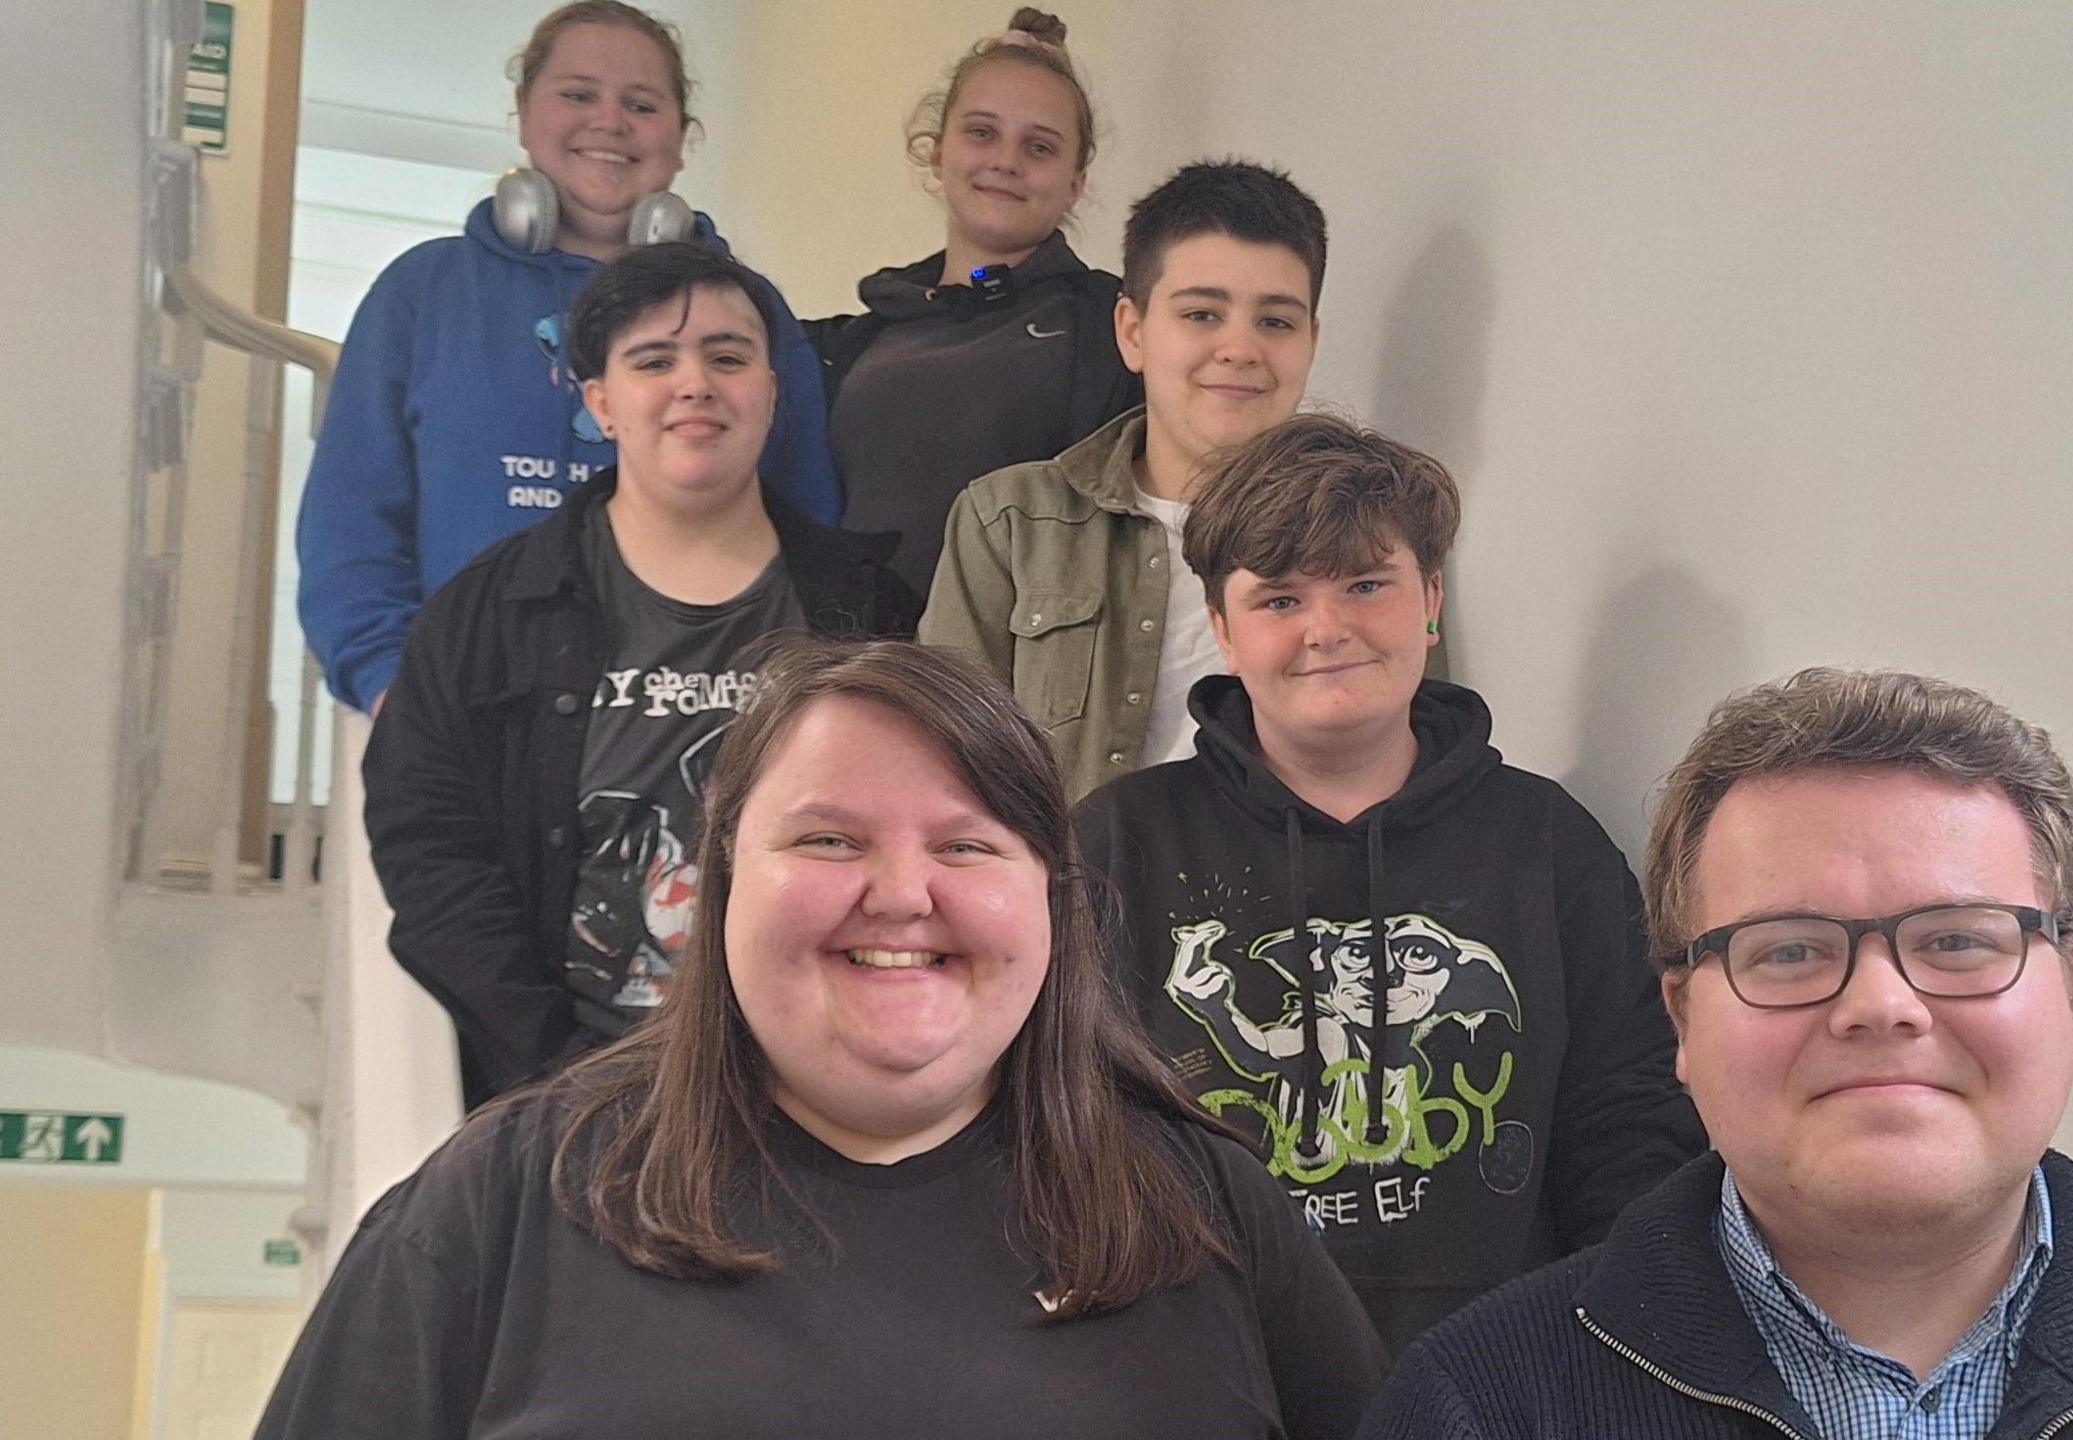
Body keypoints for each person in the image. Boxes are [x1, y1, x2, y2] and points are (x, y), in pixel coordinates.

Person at [259, 639, 1386, 1439]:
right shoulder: (499, 1203)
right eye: (830, 838)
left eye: (967, 847)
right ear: (718, 884)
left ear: (1052, 898)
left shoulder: (1208, 1208)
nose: (901, 895)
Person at [1358, 669, 2073, 1438]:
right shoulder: (1479, 1407)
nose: (1880, 1004)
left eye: (1956, 941)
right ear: (1682, 1024)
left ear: (2069, 989)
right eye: (1788, 950)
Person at [1073, 415, 1703, 1354]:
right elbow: (1063, 1117)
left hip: (1501, 1367)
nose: (1327, 629)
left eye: (1366, 584)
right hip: (1201, 1364)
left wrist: (1613, 1340)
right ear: (1222, 630)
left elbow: (1631, 1111)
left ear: (1430, 599)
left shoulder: (1544, 841)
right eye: (1279, 600)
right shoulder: (1118, 840)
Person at [362, 244, 918, 1109]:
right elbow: (430, 853)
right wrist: (561, 1071)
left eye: (728, 357)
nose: (694, 383)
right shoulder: (482, 619)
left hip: (823, 1096)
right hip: (577, 1103)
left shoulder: (876, 610)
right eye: (653, 360)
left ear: (771, 392)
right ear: (600, 404)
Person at [298, 0, 838, 716]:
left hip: (690, 721)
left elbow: (808, 525)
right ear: (523, 113)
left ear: (681, 139)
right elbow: (351, 527)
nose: (609, 122)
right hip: (465, 716)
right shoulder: (423, 293)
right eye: (578, 94)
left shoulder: (746, 311)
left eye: (642, 104)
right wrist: (394, 687)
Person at [919, 159, 1326, 800]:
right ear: (1133, 333)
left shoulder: (1370, 533)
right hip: (1059, 894)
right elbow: (938, 773)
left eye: (1276, 321)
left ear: (1311, 341)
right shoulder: (1008, 524)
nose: (1241, 348)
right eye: (1201, 314)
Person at [807, 7, 1140, 598]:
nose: (1005, 161)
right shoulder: (858, 338)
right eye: (981, 132)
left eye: (1039, 147)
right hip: (862, 667)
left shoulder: (1110, 330)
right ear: (937, 152)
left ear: (1074, 182)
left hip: (1014, 676)